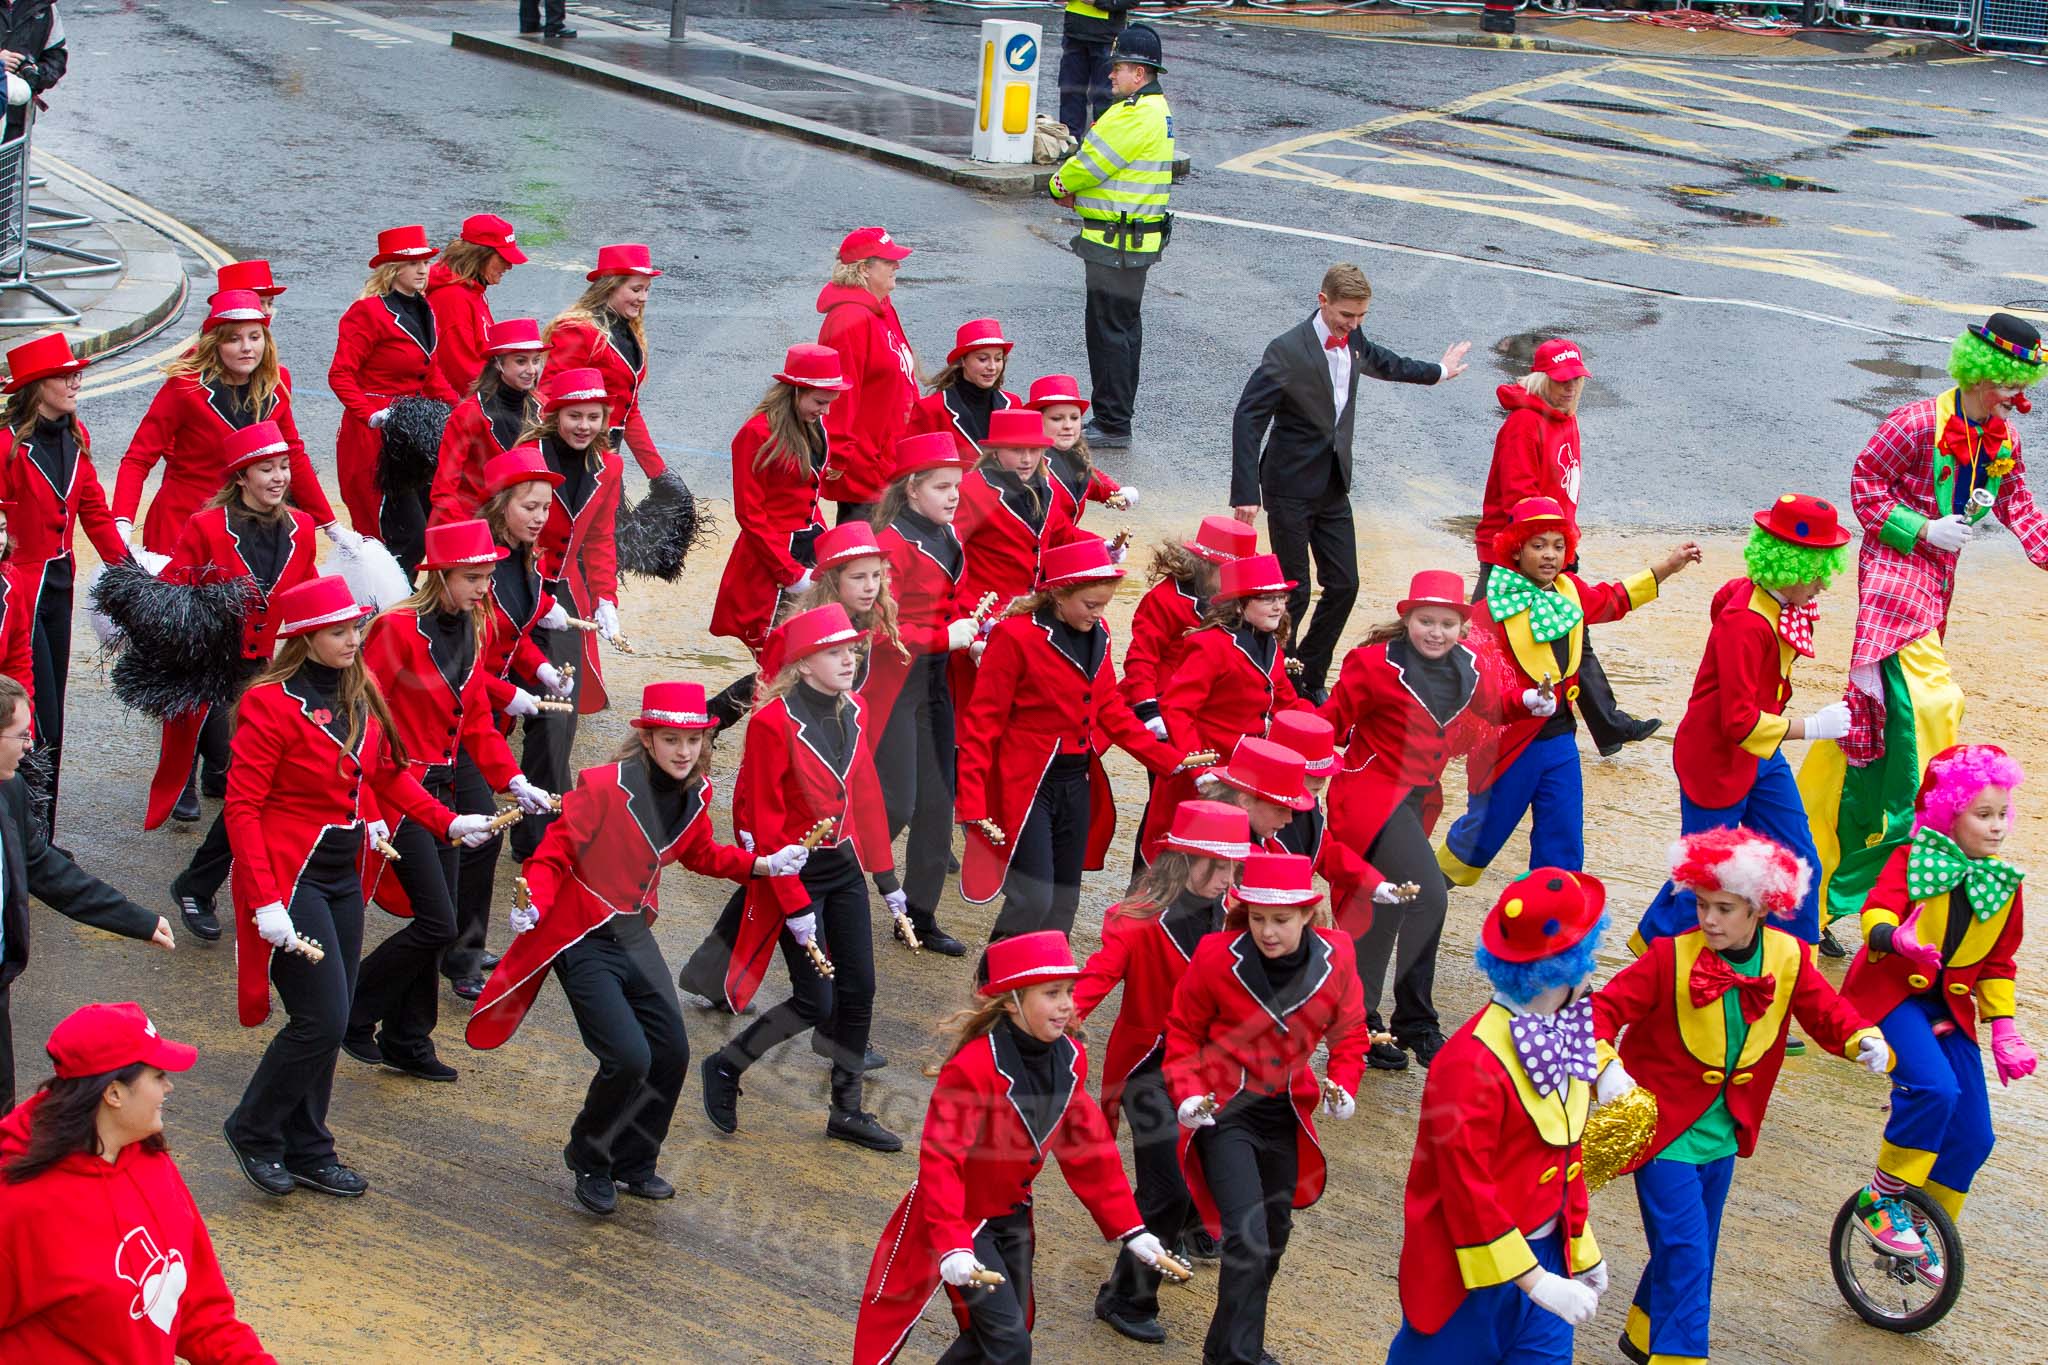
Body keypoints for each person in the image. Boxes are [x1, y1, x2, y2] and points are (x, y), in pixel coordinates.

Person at [467, 682, 808, 1215]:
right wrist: (533, 899)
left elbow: (699, 854)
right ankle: (589, 1155)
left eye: (693, 740)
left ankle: (634, 1162)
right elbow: (554, 851)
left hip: (631, 930)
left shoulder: (697, 794)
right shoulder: (603, 786)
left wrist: (764, 865)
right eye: (671, 739)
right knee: (627, 1056)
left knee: (671, 1049)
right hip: (579, 933)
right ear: (647, 739)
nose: (683, 751)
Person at [222, 576, 485, 1197]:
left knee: (329, 1017)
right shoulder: (267, 702)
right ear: (303, 637)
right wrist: (263, 899)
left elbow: (388, 774)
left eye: (353, 627)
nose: (352, 639)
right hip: (292, 877)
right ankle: (255, 1128)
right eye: (338, 631)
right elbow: (242, 809)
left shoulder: (358, 690)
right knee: (322, 1017)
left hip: (343, 874)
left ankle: (309, 1147)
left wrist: (446, 821)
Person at [1595, 829, 1887, 1365]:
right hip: (1662, 1132)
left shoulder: (1792, 956)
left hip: (1725, 1132)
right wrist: (1605, 1070)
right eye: (1703, 905)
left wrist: (1862, 1037)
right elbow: (1598, 1014)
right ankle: (1680, 1357)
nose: (1708, 919)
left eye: (1724, 909)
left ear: (1759, 909)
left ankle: (1643, 1334)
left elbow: (1827, 1013)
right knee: (1686, 1251)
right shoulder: (1667, 958)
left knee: (1693, 1245)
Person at [1799, 312, 2048, 929]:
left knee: (1867, 739)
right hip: (1892, 576)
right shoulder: (1913, 423)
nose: (2017, 400)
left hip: (1936, 587)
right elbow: (1865, 487)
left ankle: (1824, 894)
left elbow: (2017, 500)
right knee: (1935, 704)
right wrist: (1920, 527)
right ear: (1985, 372)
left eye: (2022, 388)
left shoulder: (2002, 438)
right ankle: (1938, 830)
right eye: (2009, 385)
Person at [852, 930, 1170, 1365]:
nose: (1067, 1004)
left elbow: (1089, 1150)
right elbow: (941, 1163)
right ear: (1011, 1001)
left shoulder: (1071, 1057)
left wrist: (1131, 1229)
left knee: (1000, 1340)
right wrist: (953, 1243)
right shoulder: (972, 1066)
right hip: (959, 1219)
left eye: (1070, 992)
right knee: (1010, 1346)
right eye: (1052, 993)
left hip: (1013, 1218)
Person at [346, 519, 554, 1081]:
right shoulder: (395, 630)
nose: (484, 588)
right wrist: (367, 802)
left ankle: (408, 1039)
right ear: (438, 575)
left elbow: (478, 721)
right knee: (438, 923)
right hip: (401, 790)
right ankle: (356, 1010)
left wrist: (512, 779)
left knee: (439, 915)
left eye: (488, 576)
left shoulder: (475, 625)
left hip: (446, 785)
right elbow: (364, 717)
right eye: (471, 577)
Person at [681, 520, 916, 1008]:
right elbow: (768, 701)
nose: (871, 587)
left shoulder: (865, 625)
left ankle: (712, 970)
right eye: (858, 578)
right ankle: (814, 1006)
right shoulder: (798, 632)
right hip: (781, 780)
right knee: (778, 880)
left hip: (827, 766)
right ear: (832, 581)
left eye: (876, 577)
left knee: (770, 885)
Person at [1318, 570, 1540, 1070]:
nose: (1435, 632)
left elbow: (1494, 707)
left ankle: (1362, 1022)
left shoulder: (1469, 665)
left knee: (1386, 909)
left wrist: (1528, 702)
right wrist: (1289, 758)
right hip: (1371, 798)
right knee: (1429, 896)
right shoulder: (1372, 665)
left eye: (1446, 623)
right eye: (1424, 621)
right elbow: (1331, 722)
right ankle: (1416, 1020)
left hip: (1419, 801)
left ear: (1462, 627)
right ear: (1407, 619)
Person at [1386, 869, 1608, 1364]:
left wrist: (1580, 1246)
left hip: (1548, 1258)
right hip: (1466, 1275)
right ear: (1564, 967)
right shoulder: (1467, 1063)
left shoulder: (1565, 1031)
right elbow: (1467, 1189)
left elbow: (1564, 1161)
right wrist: (1536, 1283)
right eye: (1589, 958)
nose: (1592, 973)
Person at [704, 603, 900, 1152]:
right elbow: (764, 821)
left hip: (842, 868)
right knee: (816, 1001)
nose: (849, 659)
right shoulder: (770, 722)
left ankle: (847, 1111)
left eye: (852, 650)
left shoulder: (855, 710)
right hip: (792, 871)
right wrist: (793, 903)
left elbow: (865, 795)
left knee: (859, 988)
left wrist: (887, 880)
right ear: (805, 663)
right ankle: (725, 1065)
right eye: (835, 652)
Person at [1229, 265, 1470, 700]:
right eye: (1346, 315)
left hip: (1333, 483)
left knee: (1344, 585)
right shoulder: (1287, 350)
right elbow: (1249, 417)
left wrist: (1437, 371)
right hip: (1287, 486)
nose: (1353, 325)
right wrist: (1246, 491)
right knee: (1295, 592)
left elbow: (1386, 363)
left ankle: (1308, 675)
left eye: (1360, 317)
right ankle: (1272, 680)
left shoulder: (1354, 339)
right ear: (1322, 301)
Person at [1841, 743, 2033, 1281]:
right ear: (1950, 812)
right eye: (1983, 814)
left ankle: (1925, 1228)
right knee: (1934, 1090)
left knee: (1975, 1134)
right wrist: (1893, 938)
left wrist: (2005, 1030)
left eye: (2002, 815)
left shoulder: (2004, 885)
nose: (1997, 827)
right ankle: (1880, 1200)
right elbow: (1877, 907)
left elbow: (1998, 962)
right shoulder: (1912, 857)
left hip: (1949, 1006)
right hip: (1891, 993)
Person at [1166, 850, 1366, 1365]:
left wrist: (1344, 1083)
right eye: (1258, 918)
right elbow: (1183, 1034)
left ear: (1307, 914)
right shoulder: (1215, 955)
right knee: (1248, 1238)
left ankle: (1232, 1346)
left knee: (1273, 1239)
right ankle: (1235, 1356)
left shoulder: (1338, 954)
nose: (1268, 931)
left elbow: (1351, 1034)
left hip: (1285, 1112)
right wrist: (1187, 1093)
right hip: (1224, 1110)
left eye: (1280, 919)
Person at [1635, 494, 1855, 954]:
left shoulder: (1748, 592)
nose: (1824, 585)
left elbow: (1720, 600)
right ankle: (1650, 965)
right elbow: (1738, 722)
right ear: (1790, 566)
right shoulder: (1745, 622)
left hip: (1760, 754)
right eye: (1818, 572)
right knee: (1705, 875)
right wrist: (1814, 726)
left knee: (1797, 862)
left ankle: (1791, 976)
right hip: (1715, 760)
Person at [1439, 497, 1698, 886]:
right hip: (1510, 744)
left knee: (1563, 845)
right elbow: (1471, 690)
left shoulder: (1570, 590)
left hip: (1560, 740)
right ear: (1516, 548)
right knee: (1479, 840)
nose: (1550, 555)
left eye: (1558, 546)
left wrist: (1668, 567)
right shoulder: (1489, 613)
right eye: (1538, 545)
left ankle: (1552, 929)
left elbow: (1614, 600)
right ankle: (1419, 898)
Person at [0, 1002, 272, 1364]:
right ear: (114, 1094)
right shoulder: (19, 1205)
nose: (169, 1086)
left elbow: (198, 1309)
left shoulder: (149, 1160)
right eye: (158, 1075)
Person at [955, 537, 1195, 941]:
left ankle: (1040, 996)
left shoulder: (1098, 632)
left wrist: (1167, 760)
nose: (1099, 614)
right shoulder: (1014, 637)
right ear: (1058, 594)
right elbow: (982, 725)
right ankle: (993, 987)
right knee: (1033, 898)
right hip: (1027, 785)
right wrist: (973, 804)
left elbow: (1110, 711)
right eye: (1090, 604)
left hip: (1077, 783)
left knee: (1064, 902)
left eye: (1103, 605)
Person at [1074, 799, 1247, 1345]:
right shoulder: (1138, 920)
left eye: (1231, 868)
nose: (1225, 879)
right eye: (1214, 866)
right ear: (1182, 857)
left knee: (1220, 1172)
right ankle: (1125, 1297)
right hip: (1148, 1070)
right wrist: (1052, 1021)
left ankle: (1192, 1229)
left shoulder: (1240, 914)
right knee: (1163, 1190)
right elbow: (1096, 978)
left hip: (1211, 1073)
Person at [158, 422, 321, 941]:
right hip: (210, 677)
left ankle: (199, 883)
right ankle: (210, 885)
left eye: (283, 467)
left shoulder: (301, 527)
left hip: (264, 675)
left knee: (259, 790)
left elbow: (306, 599)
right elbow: (172, 594)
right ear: (241, 475)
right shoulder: (206, 526)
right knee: (251, 786)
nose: (278, 477)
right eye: (266, 469)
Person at [1475, 337, 1658, 757]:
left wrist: (1564, 547)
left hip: (1553, 548)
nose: (1570, 387)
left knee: (1574, 631)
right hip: (1516, 550)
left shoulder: (1565, 417)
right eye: (1561, 381)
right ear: (1541, 380)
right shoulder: (1524, 424)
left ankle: (1610, 726)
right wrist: (1548, 553)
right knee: (1478, 635)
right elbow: (1519, 500)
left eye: (1575, 379)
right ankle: (1444, 707)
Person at [0, 672, 173, 1114]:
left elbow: (44, 868)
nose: (30, 746)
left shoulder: (11, 789)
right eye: (21, 735)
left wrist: (138, 920)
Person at [442, 446, 573, 998]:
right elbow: (462, 661)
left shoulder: (527, 561)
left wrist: (540, 669)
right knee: (471, 834)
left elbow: (513, 634)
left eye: (546, 506)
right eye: (530, 506)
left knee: (476, 835)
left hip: (487, 712)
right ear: (499, 508)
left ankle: (460, 947)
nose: (542, 516)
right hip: (455, 713)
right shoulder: (482, 568)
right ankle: (453, 946)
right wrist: (514, 692)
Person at [0, 331, 131, 831]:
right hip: (18, 596)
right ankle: (25, 835)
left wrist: (130, 576)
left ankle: (42, 836)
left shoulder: (77, 436)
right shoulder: (5, 447)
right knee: (29, 712)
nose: (76, 380)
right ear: (36, 386)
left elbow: (94, 510)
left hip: (58, 586)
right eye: (64, 374)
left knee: (51, 719)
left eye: (77, 372)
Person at [116, 289, 340, 557]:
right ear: (216, 344)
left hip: (249, 525)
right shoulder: (185, 386)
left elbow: (292, 453)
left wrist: (330, 524)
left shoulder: (277, 383)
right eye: (234, 339)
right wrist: (122, 520)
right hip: (184, 525)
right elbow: (139, 457)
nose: (247, 347)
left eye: (254, 337)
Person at [866, 432, 980, 956]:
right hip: (895, 689)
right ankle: (822, 879)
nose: (954, 495)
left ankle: (919, 915)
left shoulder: (946, 535)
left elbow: (951, 601)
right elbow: (874, 628)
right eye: (942, 486)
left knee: (937, 805)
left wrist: (971, 633)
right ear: (912, 489)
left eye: (956, 485)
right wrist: (943, 637)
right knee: (896, 803)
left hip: (934, 685)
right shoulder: (889, 545)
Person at [511, 366, 625, 858]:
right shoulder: (523, 458)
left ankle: (538, 835)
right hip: (517, 588)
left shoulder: (611, 467)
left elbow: (599, 537)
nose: (584, 425)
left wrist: (606, 598)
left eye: (593, 417)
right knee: (497, 711)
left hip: (568, 599)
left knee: (558, 715)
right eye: (574, 415)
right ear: (553, 414)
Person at [1048, 23, 1174, 451]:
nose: (1111, 75)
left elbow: (1089, 164)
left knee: (1110, 334)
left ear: (1139, 73)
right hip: (1127, 241)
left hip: (1116, 244)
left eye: (1118, 68)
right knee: (1120, 331)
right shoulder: (1151, 109)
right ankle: (1113, 415)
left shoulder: (1134, 113)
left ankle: (1113, 421)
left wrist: (1059, 187)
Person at [1138, 551, 1310, 856]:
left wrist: (1331, 737)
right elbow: (1177, 710)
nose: (1279, 606)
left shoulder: (1270, 646)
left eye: (1281, 598)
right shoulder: (1210, 645)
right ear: (1241, 604)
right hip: (1203, 776)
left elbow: (1288, 706)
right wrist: (1200, 768)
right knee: (1172, 865)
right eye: (1267, 599)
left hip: (1244, 776)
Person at [328, 226, 462, 570]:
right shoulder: (367, 313)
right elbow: (340, 374)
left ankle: (392, 601)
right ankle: (381, 602)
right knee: (400, 535)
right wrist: (372, 415)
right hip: (375, 439)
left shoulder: (425, 309)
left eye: (426, 262)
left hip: (414, 438)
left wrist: (463, 411)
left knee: (430, 527)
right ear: (392, 269)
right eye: (413, 263)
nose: (423, 269)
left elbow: (430, 374)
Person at [709, 343, 844, 661]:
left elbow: (810, 499)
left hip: (807, 554)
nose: (825, 411)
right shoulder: (755, 434)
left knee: (803, 657)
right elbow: (749, 513)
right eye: (820, 402)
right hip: (770, 562)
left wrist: (829, 552)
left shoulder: (815, 426)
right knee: (777, 659)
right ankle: (725, 710)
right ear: (796, 391)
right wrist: (790, 574)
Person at [545, 243, 667, 481]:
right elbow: (548, 396)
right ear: (610, 287)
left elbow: (628, 411)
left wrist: (658, 472)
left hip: (607, 461)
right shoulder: (578, 331)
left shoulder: (630, 334)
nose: (643, 298)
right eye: (636, 289)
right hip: (575, 459)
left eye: (647, 290)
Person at [425, 317, 547, 527]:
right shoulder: (469, 414)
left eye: (536, 360)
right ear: (498, 363)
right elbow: (444, 488)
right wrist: (466, 536)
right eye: (521, 361)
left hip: (529, 527)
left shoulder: (543, 408)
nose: (531, 370)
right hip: (478, 522)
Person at [424, 213, 528, 396]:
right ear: (479, 256)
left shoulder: (472, 290)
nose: (509, 266)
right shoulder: (453, 297)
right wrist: (508, 398)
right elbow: (461, 372)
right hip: (458, 407)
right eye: (502, 258)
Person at [1033, 372, 1132, 535]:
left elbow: (1089, 479)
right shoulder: (1030, 466)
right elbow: (1057, 531)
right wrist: (1097, 546)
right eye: (1057, 419)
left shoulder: (1072, 453)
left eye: (1074, 418)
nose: (1068, 426)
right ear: (1038, 421)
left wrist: (1116, 492)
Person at [909, 318, 1020, 457]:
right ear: (962, 360)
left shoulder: (1014, 404)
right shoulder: (930, 410)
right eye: (983, 359)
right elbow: (915, 468)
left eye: (998, 359)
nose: (992, 367)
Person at [1057, 0, 1138, 134]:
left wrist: (1098, 2)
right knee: (1071, 92)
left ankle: (1104, 144)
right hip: (1074, 35)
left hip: (1106, 38)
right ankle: (1069, 144)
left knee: (1105, 96)